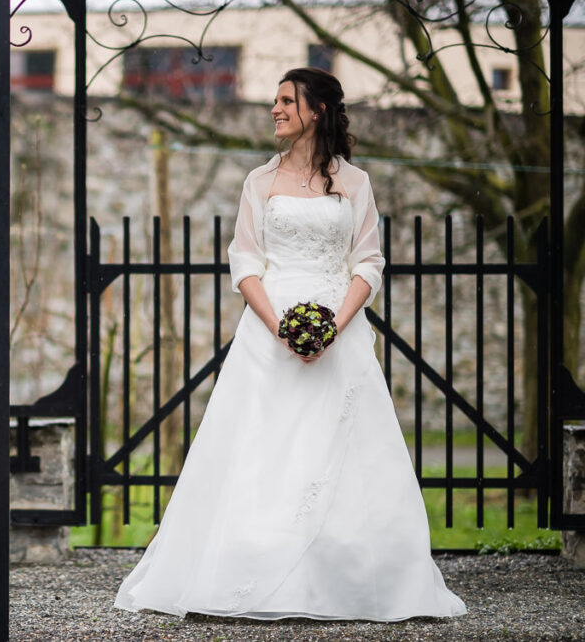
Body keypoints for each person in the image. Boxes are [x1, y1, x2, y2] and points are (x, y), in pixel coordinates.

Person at [114, 67, 467, 621]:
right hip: (269, 329)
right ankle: (250, 566)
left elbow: (369, 260)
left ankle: (347, 575)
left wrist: (336, 326)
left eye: (286, 101)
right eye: (274, 101)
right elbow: (245, 260)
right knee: (260, 449)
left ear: (317, 110)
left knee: (344, 452)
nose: (274, 110)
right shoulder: (259, 181)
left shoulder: (356, 183)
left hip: (339, 328)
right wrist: (280, 327)